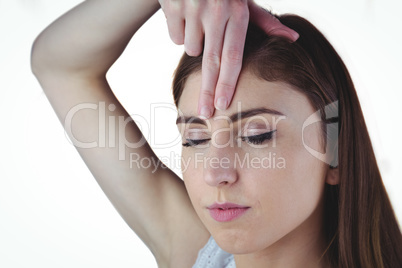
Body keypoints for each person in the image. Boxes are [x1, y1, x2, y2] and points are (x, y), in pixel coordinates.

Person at [31, 0, 402, 267]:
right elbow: (59, 65)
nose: (215, 172)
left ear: (335, 149)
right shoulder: (198, 255)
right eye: (195, 139)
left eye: (257, 135)